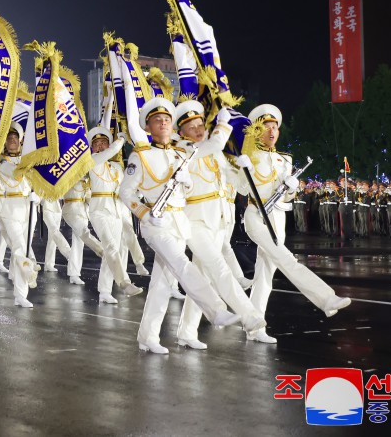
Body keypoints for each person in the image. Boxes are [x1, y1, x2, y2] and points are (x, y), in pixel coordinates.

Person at [119, 98, 241, 354]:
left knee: (162, 284)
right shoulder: (140, 155)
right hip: (156, 224)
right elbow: (125, 193)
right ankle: (216, 310)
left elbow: (190, 186)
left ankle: (148, 336)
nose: (163, 123)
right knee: (182, 266)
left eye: (166, 120)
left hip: (179, 223)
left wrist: (186, 183)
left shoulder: (181, 153)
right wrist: (144, 213)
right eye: (156, 121)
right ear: (149, 127)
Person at [234, 104, 351, 344]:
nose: (271, 131)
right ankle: (326, 298)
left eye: (275, 127)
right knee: (286, 260)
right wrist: (240, 168)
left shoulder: (284, 159)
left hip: (278, 217)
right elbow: (241, 189)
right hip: (257, 216)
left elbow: (287, 197)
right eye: (266, 127)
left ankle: (254, 327)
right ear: (257, 131)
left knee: (265, 274)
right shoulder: (249, 157)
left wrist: (291, 188)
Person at [172, 101, 266, 350]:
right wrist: (223, 122)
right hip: (193, 221)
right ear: (181, 132)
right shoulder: (182, 151)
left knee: (204, 276)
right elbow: (215, 142)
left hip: (216, 220)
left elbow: (237, 185)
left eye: (200, 124)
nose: (198, 130)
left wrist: (245, 171)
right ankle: (251, 316)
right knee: (219, 268)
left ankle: (186, 332)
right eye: (191, 127)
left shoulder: (213, 153)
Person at [84, 126, 142, 304]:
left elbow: (125, 186)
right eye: (97, 144)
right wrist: (121, 140)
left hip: (116, 209)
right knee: (110, 247)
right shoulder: (92, 160)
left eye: (104, 143)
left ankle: (105, 291)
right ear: (93, 148)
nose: (101, 146)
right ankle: (125, 283)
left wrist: (137, 193)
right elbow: (111, 152)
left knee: (116, 250)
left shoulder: (116, 167)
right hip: (99, 210)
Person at [0, 123, 40, 308]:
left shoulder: (28, 160)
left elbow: (39, 180)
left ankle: (21, 279)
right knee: (19, 247)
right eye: (9, 138)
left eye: (15, 138)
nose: (12, 141)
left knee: (24, 249)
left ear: (20, 141)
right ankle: (23, 287)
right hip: (7, 207)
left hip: (28, 207)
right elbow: (14, 174)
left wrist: (39, 195)